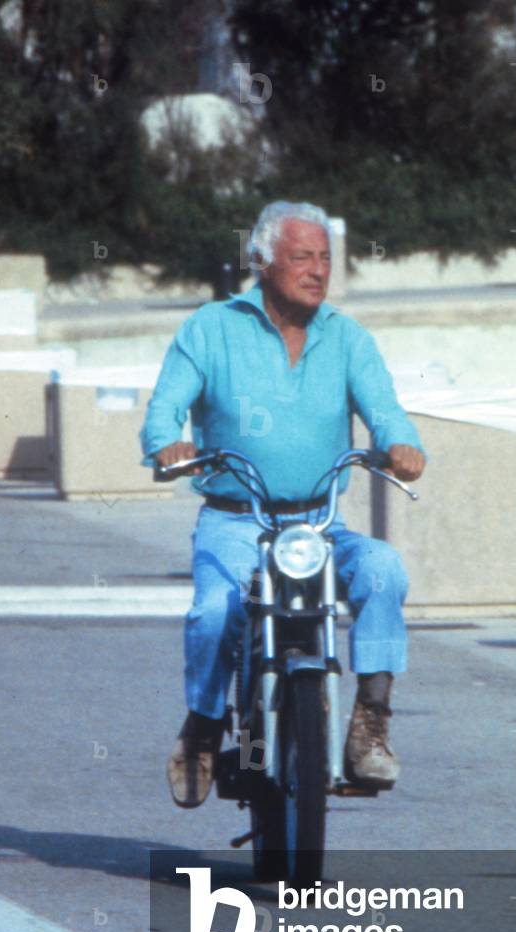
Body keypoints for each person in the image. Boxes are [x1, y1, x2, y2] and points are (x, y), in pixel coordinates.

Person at [140, 200, 426, 809]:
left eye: (325, 257)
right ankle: (203, 729)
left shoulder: (347, 337)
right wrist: (167, 443)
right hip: (235, 522)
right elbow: (164, 407)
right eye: (302, 256)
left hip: (319, 524)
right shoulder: (211, 328)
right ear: (262, 261)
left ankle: (370, 723)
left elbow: (385, 408)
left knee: (383, 569)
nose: (318, 270)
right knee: (215, 611)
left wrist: (401, 443)